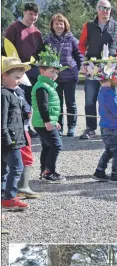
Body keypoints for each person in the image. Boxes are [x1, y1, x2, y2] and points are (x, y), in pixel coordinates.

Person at [78, 0, 117, 140]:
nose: (104, 11)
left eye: (107, 8)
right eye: (101, 8)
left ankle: (116, 127)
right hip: (92, 67)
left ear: (110, 10)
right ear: (97, 9)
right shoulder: (88, 25)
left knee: (114, 98)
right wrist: (87, 56)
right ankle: (90, 129)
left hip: (111, 68)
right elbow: (81, 44)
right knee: (90, 99)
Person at [4, 2, 44, 138]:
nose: (33, 17)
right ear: (24, 12)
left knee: (28, 100)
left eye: (35, 14)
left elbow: (40, 52)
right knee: (15, 98)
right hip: (15, 69)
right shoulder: (14, 28)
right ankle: (14, 126)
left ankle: (27, 126)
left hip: (32, 70)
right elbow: (6, 49)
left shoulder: (37, 33)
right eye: (30, 13)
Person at [88, 63, 117, 183]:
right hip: (113, 127)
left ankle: (100, 171)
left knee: (110, 150)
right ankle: (116, 174)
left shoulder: (103, 91)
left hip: (105, 126)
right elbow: (116, 112)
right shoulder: (110, 94)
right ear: (112, 78)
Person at [43, 13, 84, 137]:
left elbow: (79, 55)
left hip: (70, 76)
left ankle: (71, 127)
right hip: (54, 78)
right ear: (52, 25)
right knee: (57, 103)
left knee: (71, 103)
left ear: (65, 25)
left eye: (61, 23)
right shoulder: (48, 40)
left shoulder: (71, 39)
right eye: (56, 23)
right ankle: (59, 126)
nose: (59, 26)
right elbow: (44, 57)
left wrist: (80, 68)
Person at [32, 46, 67, 182]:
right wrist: (47, 121)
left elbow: (49, 108)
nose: (54, 75)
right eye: (52, 71)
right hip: (43, 122)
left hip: (43, 122)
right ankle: (49, 172)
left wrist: (54, 120)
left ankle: (44, 171)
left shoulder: (47, 85)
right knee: (56, 145)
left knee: (47, 146)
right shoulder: (42, 87)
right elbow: (43, 106)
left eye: (56, 73)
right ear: (42, 71)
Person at [1, 56, 31, 210]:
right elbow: (3, 119)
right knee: (17, 167)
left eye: (20, 77)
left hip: (13, 137)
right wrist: (7, 139)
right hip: (10, 140)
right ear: (4, 75)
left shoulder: (13, 92)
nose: (19, 81)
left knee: (5, 169)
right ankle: (10, 197)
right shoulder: (4, 94)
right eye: (16, 77)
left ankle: (4, 194)